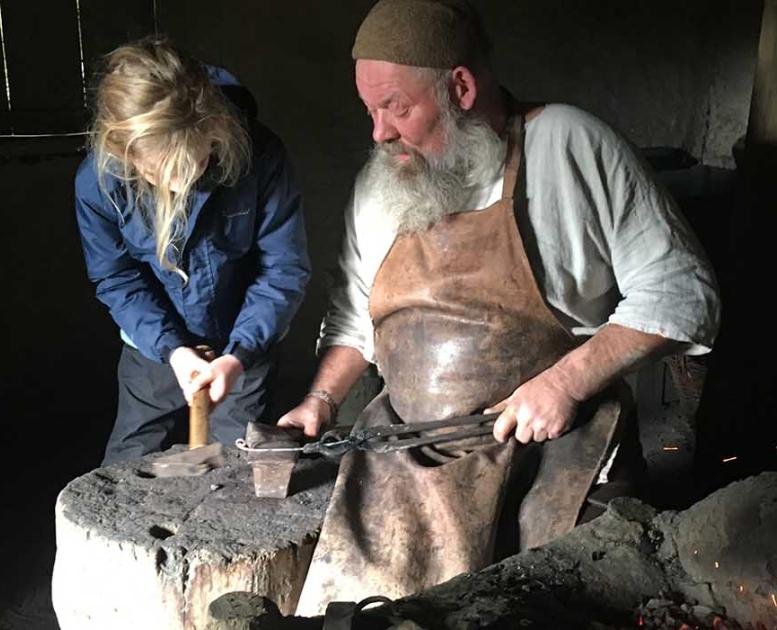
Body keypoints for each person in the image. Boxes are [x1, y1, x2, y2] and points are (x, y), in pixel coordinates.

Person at [278, 0, 720, 615]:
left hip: (554, 454)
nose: (378, 132)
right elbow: (355, 316)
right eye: (370, 110)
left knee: (538, 607)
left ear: (460, 86)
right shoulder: (381, 182)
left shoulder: (568, 144)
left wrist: (565, 381)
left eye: (395, 108)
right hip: (405, 454)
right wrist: (319, 400)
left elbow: (683, 293)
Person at [75, 39, 310, 465]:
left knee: (237, 467)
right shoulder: (99, 181)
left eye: (189, 164)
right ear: (123, 152)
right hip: (152, 344)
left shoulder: (261, 157)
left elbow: (283, 269)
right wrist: (172, 348)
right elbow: (116, 276)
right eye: (155, 171)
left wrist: (238, 356)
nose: (177, 185)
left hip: (243, 342)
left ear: (214, 129)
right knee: (130, 464)